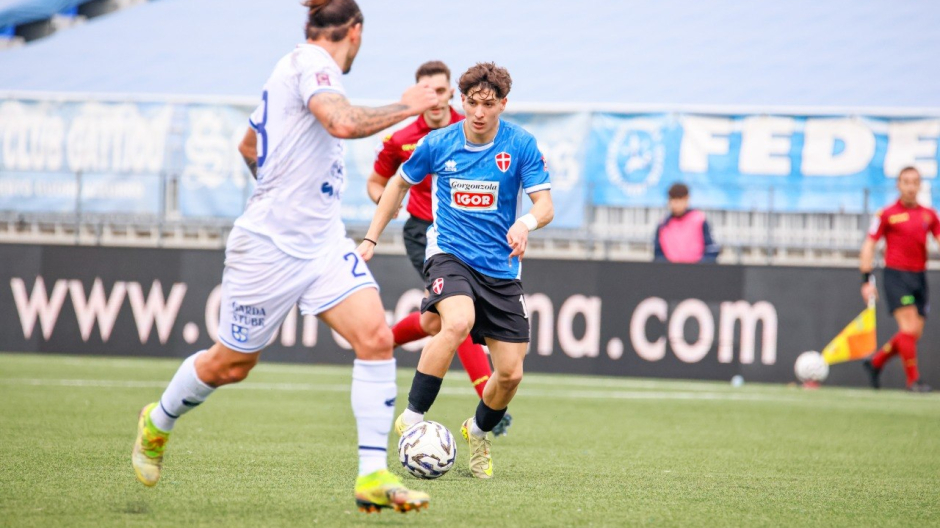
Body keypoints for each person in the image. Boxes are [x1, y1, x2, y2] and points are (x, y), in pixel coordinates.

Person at [130, 0, 438, 514]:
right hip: (269, 247)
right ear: (355, 32)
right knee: (231, 365)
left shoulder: (291, 69)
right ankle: (157, 421)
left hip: (323, 243)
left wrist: (288, 192)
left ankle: (371, 476)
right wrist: (406, 106)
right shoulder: (313, 64)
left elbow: (249, 144)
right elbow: (341, 123)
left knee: (376, 339)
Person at [358, 62, 553, 479]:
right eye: (472, 103)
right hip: (449, 254)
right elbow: (396, 183)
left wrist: (525, 223)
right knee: (457, 321)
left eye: (489, 104)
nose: (479, 112)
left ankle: (477, 432)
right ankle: (412, 418)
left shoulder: (520, 144)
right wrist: (371, 237)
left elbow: (545, 205)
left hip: (501, 268)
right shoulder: (438, 142)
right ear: (460, 101)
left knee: (510, 374)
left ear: (503, 104)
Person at [367, 60, 512, 437]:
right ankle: (487, 398)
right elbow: (377, 183)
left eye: (441, 92)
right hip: (427, 234)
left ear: (452, 94)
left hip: (474, 237)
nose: (434, 100)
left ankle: (384, 341)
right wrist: (385, 202)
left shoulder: (473, 126)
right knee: (458, 317)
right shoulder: (401, 139)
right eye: (426, 93)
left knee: (436, 322)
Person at [861, 167, 937, 393]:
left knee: (913, 334)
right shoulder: (886, 214)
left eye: (915, 182)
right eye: (906, 182)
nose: (911, 187)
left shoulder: (929, 214)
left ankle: (876, 362)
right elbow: (869, 245)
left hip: (919, 276)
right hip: (896, 275)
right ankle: (913, 381)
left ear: (920, 185)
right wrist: (866, 280)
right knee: (909, 328)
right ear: (898, 185)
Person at [653, 183, 720, 263]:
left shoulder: (699, 220)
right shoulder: (663, 224)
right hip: (671, 269)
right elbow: (658, 253)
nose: (675, 204)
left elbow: (711, 249)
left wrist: (701, 266)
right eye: (672, 200)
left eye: (679, 200)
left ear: (687, 199)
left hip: (697, 269)